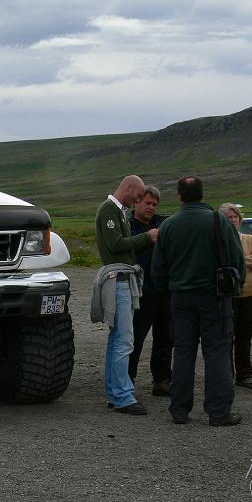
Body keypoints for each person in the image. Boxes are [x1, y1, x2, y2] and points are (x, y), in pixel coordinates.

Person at [152, 176, 245, 426]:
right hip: (214, 297)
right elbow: (237, 259)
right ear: (202, 194)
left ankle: (180, 410)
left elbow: (158, 267)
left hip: (180, 298)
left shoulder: (169, 225)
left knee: (183, 352)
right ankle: (218, 412)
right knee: (216, 352)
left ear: (180, 196)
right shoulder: (219, 221)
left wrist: (166, 291)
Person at [94, 175, 158, 415]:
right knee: (124, 340)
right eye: (138, 196)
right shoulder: (109, 210)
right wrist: (147, 237)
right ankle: (122, 396)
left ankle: (116, 392)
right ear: (129, 188)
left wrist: (146, 240)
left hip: (123, 279)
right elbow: (115, 244)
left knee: (117, 340)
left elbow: (124, 245)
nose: (138, 201)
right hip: (118, 280)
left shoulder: (117, 211)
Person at [128, 186, 173, 397]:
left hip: (164, 291)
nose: (151, 207)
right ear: (136, 202)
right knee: (135, 338)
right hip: (139, 292)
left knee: (165, 337)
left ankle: (162, 380)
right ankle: (127, 381)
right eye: (147, 203)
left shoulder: (164, 225)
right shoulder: (128, 226)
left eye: (154, 204)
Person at [220, 203, 252, 389]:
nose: (232, 220)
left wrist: (235, 261)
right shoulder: (219, 242)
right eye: (228, 217)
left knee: (244, 337)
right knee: (226, 337)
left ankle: (244, 375)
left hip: (249, 294)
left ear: (240, 219)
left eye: (235, 217)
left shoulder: (249, 239)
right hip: (228, 296)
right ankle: (225, 376)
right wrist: (244, 262)